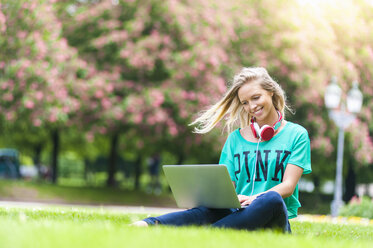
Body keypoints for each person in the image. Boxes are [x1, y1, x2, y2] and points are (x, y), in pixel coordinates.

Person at [132, 67, 311, 232]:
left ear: (271, 92)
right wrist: (228, 198)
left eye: (256, 98)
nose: (252, 107)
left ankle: (206, 234)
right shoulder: (235, 139)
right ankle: (149, 224)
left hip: (273, 218)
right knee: (211, 209)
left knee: (272, 199)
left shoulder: (297, 135)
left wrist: (255, 198)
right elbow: (226, 190)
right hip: (240, 214)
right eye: (245, 103)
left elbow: (288, 186)